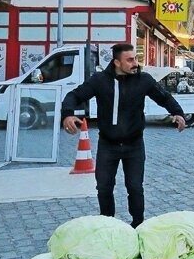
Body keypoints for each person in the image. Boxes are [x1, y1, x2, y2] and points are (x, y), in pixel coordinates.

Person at [61, 43, 186, 228]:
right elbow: (74, 95)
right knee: (104, 188)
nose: (135, 63)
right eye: (130, 60)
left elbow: (164, 97)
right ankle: (108, 225)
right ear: (116, 62)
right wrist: (68, 114)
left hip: (134, 145)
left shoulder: (144, 80)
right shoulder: (99, 80)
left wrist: (178, 113)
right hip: (107, 145)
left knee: (135, 188)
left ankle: (138, 226)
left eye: (136, 58)